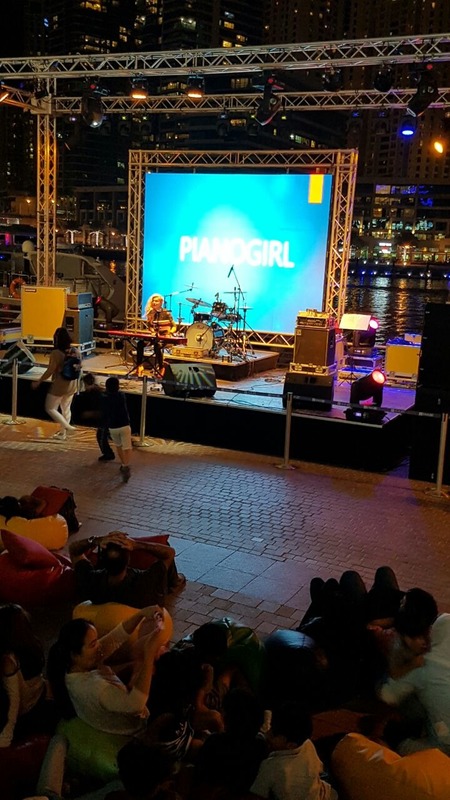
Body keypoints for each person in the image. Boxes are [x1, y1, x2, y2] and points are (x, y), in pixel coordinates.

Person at [47, 607, 167, 736]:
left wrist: (141, 614)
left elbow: (115, 638)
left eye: (97, 640)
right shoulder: (93, 687)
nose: (99, 645)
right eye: (93, 644)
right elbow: (135, 705)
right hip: (133, 729)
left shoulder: (78, 664)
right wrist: (149, 655)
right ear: (74, 655)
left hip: (118, 701)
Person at [69, 530, 185, 607]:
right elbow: (169, 553)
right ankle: (175, 582)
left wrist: (96, 540)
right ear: (129, 560)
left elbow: (74, 550)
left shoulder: (90, 581)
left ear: (102, 561)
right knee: (165, 547)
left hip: (106, 617)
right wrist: (137, 545)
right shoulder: (146, 582)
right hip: (139, 624)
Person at [250, 703, 337, 800]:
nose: (268, 733)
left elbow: (257, 794)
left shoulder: (270, 767)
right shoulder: (307, 744)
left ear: (291, 745)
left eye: (274, 734)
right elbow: (320, 768)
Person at [0, 604, 58, 748]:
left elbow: (14, 700)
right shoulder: (32, 643)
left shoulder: (9, 660)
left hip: (30, 710)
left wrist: (6, 736)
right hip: (40, 694)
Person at [32, 326, 80, 441]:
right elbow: (79, 369)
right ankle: (63, 433)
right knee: (66, 409)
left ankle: (67, 427)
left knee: (50, 408)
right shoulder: (76, 351)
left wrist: (39, 381)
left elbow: (50, 370)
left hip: (60, 384)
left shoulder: (56, 353)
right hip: (72, 384)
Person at [75, 372, 115, 462]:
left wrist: (90, 414)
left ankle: (108, 454)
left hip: (106, 418)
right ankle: (108, 453)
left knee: (101, 436)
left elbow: (102, 410)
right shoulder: (97, 391)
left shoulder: (96, 394)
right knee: (104, 435)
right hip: (106, 418)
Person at [102, 377, 132, 481]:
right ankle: (125, 465)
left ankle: (124, 463)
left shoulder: (104, 398)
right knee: (127, 447)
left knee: (118, 446)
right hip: (124, 424)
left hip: (113, 426)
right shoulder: (121, 396)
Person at [144, 294, 176, 373]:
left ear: (161, 302)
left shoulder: (166, 313)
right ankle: (139, 366)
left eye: (156, 301)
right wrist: (153, 331)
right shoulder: (151, 313)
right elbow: (150, 326)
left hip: (165, 337)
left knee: (157, 346)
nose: (154, 302)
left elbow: (174, 326)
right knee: (140, 344)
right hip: (155, 336)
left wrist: (170, 332)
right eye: (153, 301)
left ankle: (161, 367)